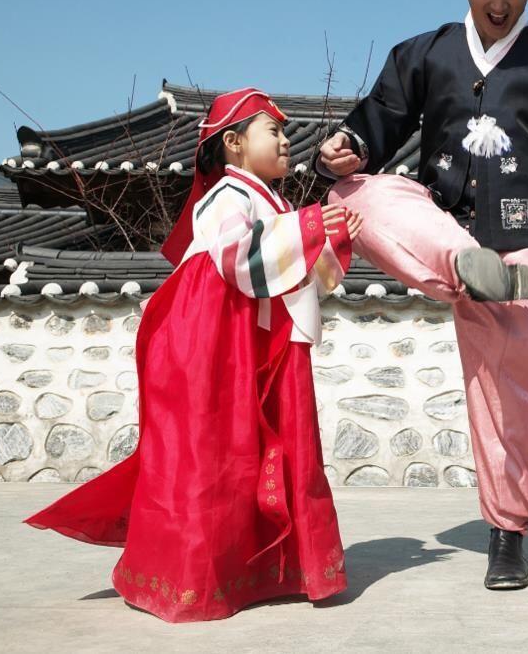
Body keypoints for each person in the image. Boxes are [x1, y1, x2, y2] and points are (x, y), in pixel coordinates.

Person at [317, 0, 528, 590]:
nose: (499, 3)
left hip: (525, 227)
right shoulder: (425, 53)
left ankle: (507, 532)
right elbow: (376, 120)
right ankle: (481, 275)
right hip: (444, 230)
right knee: (356, 192)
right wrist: (345, 147)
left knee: (506, 388)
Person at [25, 87, 358, 622]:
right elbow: (238, 258)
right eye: (272, 131)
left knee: (264, 451)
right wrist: (313, 226)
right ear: (232, 143)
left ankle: (270, 569)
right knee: (213, 457)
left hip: (252, 341)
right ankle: (196, 576)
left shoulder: (273, 203)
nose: (285, 140)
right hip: (214, 344)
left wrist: (330, 240)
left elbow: (297, 272)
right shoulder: (227, 196)